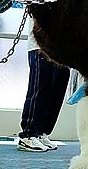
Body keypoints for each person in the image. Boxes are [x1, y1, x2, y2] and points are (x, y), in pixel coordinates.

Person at [14, 15, 70, 153]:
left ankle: (41, 132)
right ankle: (28, 134)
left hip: (63, 49)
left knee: (56, 91)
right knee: (40, 90)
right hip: (41, 46)